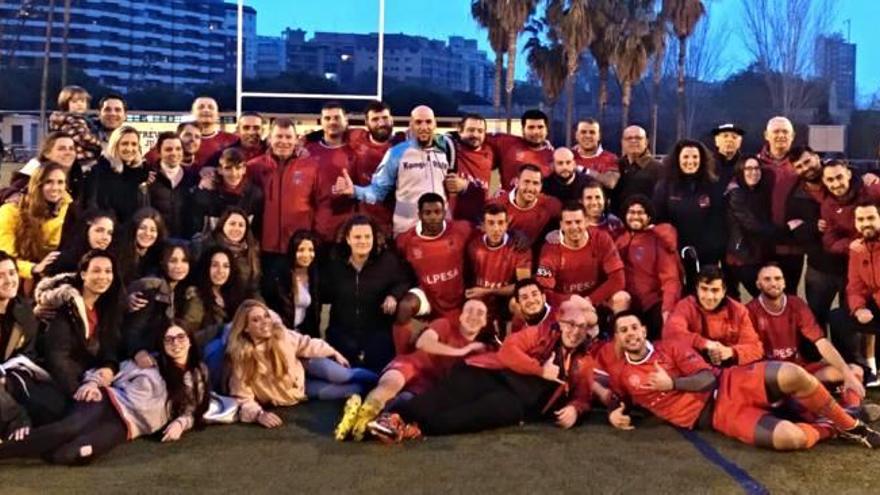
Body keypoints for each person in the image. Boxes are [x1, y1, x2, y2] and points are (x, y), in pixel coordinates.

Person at [607, 311, 880, 450]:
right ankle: (832, 425)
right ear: (617, 338)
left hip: (728, 383)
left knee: (793, 373)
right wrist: (613, 411)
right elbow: (615, 395)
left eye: (634, 327)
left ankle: (853, 427)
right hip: (719, 417)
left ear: (643, 330)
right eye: (623, 330)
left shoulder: (671, 347)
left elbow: (705, 379)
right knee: (791, 439)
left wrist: (673, 384)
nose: (631, 334)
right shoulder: (621, 372)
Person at [369, 297, 596, 441]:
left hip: (517, 403)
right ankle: (392, 418)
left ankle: (413, 429)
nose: (575, 331)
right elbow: (508, 351)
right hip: (491, 374)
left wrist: (575, 409)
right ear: (561, 322)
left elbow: (583, 396)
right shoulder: (539, 333)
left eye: (582, 328)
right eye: (571, 324)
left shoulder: (584, 361)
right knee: (446, 396)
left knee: (466, 418)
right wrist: (540, 370)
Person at [0, 323, 209, 465]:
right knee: (67, 429)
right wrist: (92, 383)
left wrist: (181, 423)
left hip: (126, 427)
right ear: (162, 345)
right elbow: (111, 371)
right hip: (107, 402)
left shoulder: (198, 374)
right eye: (169, 339)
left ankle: (38, 442)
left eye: (181, 337)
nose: (176, 343)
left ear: (190, 340)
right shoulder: (148, 364)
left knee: (73, 454)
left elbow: (196, 407)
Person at [334, 299, 489, 441]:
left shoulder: (483, 349)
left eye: (480, 313)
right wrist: (461, 351)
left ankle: (363, 421)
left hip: (428, 383)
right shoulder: (445, 324)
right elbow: (423, 343)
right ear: (461, 316)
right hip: (412, 363)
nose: (473, 316)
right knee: (390, 386)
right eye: (469, 310)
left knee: (404, 404)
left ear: (485, 322)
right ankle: (360, 416)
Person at [746, 263, 873, 417]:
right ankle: (829, 414)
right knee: (790, 401)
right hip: (772, 378)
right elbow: (750, 356)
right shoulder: (750, 311)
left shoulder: (796, 304)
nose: (773, 283)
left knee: (854, 370)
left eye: (777, 278)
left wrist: (847, 374)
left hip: (800, 370)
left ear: (784, 282)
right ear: (758, 284)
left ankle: (852, 412)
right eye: (767, 279)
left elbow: (821, 342)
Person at [226, 300, 377, 428]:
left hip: (304, 367)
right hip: (300, 391)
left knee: (343, 375)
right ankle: (376, 391)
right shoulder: (242, 359)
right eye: (256, 320)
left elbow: (305, 343)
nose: (265, 322)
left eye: (266, 316)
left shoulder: (281, 335)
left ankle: (382, 379)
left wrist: (332, 352)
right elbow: (242, 397)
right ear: (245, 328)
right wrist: (259, 415)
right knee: (353, 389)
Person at [334, 105, 455, 236]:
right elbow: (377, 191)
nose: (424, 127)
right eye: (418, 122)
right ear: (411, 125)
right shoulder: (396, 153)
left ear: (435, 124)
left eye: (428, 122)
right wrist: (355, 191)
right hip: (408, 231)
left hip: (441, 230)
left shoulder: (446, 150)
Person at [320, 216, 412, 372]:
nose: (363, 241)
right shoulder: (335, 262)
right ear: (348, 239)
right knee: (341, 379)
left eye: (367, 236)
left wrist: (393, 295)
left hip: (376, 334)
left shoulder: (387, 261)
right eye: (357, 237)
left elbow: (404, 281)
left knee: (377, 376)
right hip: (342, 334)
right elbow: (324, 292)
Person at [34, 250, 125, 397]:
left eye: (108, 271)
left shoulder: (106, 307)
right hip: (63, 386)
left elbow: (110, 346)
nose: (103, 276)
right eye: (96, 271)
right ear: (83, 275)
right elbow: (58, 357)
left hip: (92, 380)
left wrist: (109, 368)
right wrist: (78, 391)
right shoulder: (65, 306)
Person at [393, 193, 472, 354]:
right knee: (405, 307)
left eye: (437, 212)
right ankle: (402, 356)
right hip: (427, 295)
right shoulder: (406, 240)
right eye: (427, 213)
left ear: (444, 212)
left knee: (456, 342)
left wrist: (515, 236)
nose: (433, 217)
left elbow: (487, 234)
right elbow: (394, 264)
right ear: (419, 214)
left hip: (457, 298)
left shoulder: (461, 229)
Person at [247, 118, 317, 295]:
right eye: (279, 136)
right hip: (265, 248)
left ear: (296, 139)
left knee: (300, 303)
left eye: (288, 137)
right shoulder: (254, 167)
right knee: (269, 300)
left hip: (298, 249)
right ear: (269, 138)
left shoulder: (311, 166)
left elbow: (319, 203)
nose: (284, 142)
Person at [0, 251, 67, 434]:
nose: (9, 280)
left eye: (12, 273)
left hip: (12, 376)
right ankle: (17, 422)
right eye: (0, 275)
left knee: (55, 408)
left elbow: (27, 352)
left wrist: (9, 377)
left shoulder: (24, 310)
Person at [663, 266, 764, 367]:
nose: (709, 297)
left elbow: (756, 349)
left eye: (715, 290)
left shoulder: (738, 310)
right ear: (697, 289)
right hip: (694, 369)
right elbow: (671, 333)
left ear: (723, 291)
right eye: (704, 289)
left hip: (730, 369)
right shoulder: (685, 306)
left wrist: (730, 352)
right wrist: (705, 344)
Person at [725, 156, 795, 298]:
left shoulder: (756, 191)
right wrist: (785, 230)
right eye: (748, 168)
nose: (754, 172)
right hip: (743, 256)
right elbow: (752, 225)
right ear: (740, 171)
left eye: (757, 168)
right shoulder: (736, 194)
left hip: (756, 253)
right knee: (764, 297)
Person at [535, 202, 625, 310]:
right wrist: (572, 301)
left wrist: (589, 301)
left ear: (586, 222)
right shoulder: (549, 249)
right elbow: (545, 292)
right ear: (561, 225)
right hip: (566, 305)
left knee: (622, 298)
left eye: (578, 222)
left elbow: (618, 280)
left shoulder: (602, 238)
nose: (574, 227)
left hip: (596, 300)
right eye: (568, 223)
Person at [615, 195, 681, 339]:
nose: (635, 216)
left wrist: (667, 310)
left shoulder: (659, 239)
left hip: (653, 304)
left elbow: (670, 279)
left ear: (649, 217)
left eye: (641, 213)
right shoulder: (619, 240)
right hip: (628, 305)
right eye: (631, 212)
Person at [653, 139, 726, 269]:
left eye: (695, 157)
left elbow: (718, 220)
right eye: (685, 157)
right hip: (674, 251)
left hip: (706, 253)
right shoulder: (665, 186)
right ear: (677, 160)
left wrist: (713, 249)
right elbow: (660, 219)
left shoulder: (712, 185)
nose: (690, 161)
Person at [123, 242, 195, 361]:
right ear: (162, 262)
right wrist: (138, 352)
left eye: (184, 261)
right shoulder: (150, 287)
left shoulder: (182, 290)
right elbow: (132, 331)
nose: (179, 266)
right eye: (173, 261)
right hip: (143, 357)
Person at [466, 204, 532, 333]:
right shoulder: (473, 245)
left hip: (504, 300)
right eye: (491, 223)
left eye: (501, 223)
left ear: (507, 224)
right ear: (483, 226)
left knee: (519, 304)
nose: (496, 229)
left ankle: (515, 339)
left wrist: (487, 291)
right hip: (479, 299)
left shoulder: (519, 248)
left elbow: (523, 286)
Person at [0, 162, 71, 281]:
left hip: (53, 276)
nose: (55, 188)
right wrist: (34, 268)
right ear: (37, 184)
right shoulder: (9, 212)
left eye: (60, 182)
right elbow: (4, 256)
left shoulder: (69, 208)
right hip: (16, 278)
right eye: (48, 182)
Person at [834, 202, 880, 386]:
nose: (865, 223)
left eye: (871, 218)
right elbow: (854, 286)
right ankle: (862, 371)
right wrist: (859, 308)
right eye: (860, 219)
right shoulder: (856, 248)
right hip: (874, 305)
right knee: (837, 317)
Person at [348, 101, 405, 233]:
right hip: (364, 221)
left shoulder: (403, 142)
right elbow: (330, 131)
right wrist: (305, 139)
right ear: (366, 123)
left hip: (395, 222)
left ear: (391, 119)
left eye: (385, 118)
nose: (381, 123)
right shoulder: (357, 137)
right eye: (375, 119)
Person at [307, 102, 358, 242]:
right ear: (321, 122)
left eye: (337, 118)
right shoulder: (308, 150)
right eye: (327, 118)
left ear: (345, 121)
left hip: (346, 228)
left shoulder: (356, 151)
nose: (332, 122)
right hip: (315, 227)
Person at [192, 147, 264, 237]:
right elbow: (198, 229)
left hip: (243, 247)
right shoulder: (206, 194)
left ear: (244, 170)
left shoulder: (255, 195)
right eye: (228, 168)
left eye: (238, 168)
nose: (233, 173)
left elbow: (255, 230)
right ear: (220, 170)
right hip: (213, 247)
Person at [84, 126, 150, 224]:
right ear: (115, 145)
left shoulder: (142, 173)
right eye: (124, 144)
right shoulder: (100, 171)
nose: (129, 148)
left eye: (134, 144)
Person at [264, 230, 321, 337]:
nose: (306, 254)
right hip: (279, 335)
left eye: (311, 250)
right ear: (293, 251)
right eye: (301, 250)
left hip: (301, 335)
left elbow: (313, 316)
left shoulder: (314, 275)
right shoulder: (279, 275)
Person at [489, 164, 561, 247]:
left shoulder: (549, 203)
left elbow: (574, 216)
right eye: (526, 182)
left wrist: (558, 232)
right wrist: (509, 234)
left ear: (541, 186)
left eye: (535, 183)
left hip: (529, 255)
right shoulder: (498, 204)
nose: (530, 188)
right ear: (516, 182)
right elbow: (482, 229)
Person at [180, 245, 245, 336]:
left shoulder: (233, 293)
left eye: (226, 266)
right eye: (215, 265)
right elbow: (190, 336)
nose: (220, 271)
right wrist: (222, 329)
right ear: (206, 267)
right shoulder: (196, 296)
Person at [195, 207, 261, 295]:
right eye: (232, 224)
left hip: (239, 303)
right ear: (223, 225)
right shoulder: (206, 246)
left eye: (241, 225)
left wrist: (259, 306)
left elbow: (253, 289)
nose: (236, 228)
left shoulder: (251, 252)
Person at [146, 131, 198, 239]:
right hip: (156, 241)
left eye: (178, 149)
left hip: (185, 243)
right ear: (159, 152)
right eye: (168, 149)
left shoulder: (193, 178)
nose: (174, 153)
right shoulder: (149, 177)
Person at [1, 132, 77, 204]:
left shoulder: (76, 174)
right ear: (47, 153)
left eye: (71, 148)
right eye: (61, 149)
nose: (68, 152)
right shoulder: (33, 175)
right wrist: (12, 194)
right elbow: (9, 192)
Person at [485, 109, 554, 188]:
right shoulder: (507, 143)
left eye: (540, 127)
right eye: (531, 127)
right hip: (506, 198)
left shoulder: (553, 157)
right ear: (523, 130)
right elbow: (477, 136)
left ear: (547, 130)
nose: (536, 132)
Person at [447, 113, 494, 225]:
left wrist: (465, 185)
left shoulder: (491, 152)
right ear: (460, 131)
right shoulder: (450, 148)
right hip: (453, 221)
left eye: (480, 131)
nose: (475, 135)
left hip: (479, 222)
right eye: (471, 130)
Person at [45, 209, 115, 277]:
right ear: (86, 231)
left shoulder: (111, 265)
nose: (105, 237)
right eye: (99, 230)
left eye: (110, 233)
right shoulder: (63, 264)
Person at [611, 125, 662, 216]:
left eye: (638, 138)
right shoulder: (615, 166)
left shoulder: (659, 169)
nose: (633, 141)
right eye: (629, 138)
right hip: (618, 224)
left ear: (646, 142)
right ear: (622, 142)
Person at [48, 85, 102, 169]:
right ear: (65, 104)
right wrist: (100, 144)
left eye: (83, 101)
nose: (79, 104)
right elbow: (83, 138)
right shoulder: (73, 120)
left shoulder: (64, 119)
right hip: (82, 159)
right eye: (74, 101)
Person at [113, 207, 167, 286]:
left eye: (153, 230)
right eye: (142, 228)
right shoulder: (119, 253)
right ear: (134, 229)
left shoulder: (158, 256)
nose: (147, 233)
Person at [190, 96, 237, 170]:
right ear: (192, 113)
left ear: (217, 114)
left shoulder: (233, 140)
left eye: (211, 107)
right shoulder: (180, 141)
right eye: (201, 107)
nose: (206, 110)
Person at [571, 118, 619, 189]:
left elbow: (611, 182)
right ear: (576, 136)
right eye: (583, 132)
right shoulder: (569, 156)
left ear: (599, 136)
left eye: (592, 132)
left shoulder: (610, 158)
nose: (588, 136)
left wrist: (581, 169)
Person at [711, 123, 745, 187]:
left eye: (734, 137)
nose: (729, 140)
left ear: (739, 142)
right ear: (717, 141)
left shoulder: (745, 164)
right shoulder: (707, 164)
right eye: (725, 136)